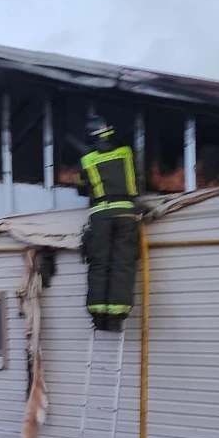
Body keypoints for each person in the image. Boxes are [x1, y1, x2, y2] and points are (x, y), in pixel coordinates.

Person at [73, 115, 141, 332]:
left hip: (101, 216)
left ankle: (99, 316)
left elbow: (81, 187)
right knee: (123, 264)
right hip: (126, 214)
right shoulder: (127, 153)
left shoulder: (86, 160)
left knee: (100, 264)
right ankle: (116, 316)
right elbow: (137, 179)